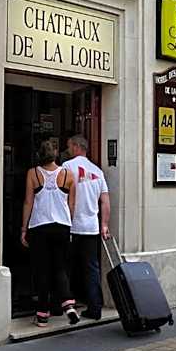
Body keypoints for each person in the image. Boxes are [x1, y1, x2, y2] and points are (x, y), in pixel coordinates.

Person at [21, 140, 80, 327]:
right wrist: (67, 224)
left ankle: (42, 314)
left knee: (42, 270)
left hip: (40, 226)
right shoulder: (68, 175)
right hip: (61, 226)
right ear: (56, 154)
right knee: (60, 268)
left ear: (40, 154)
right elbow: (71, 206)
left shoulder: (33, 174)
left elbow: (28, 202)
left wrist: (24, 229)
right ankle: (68, 304)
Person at [63, 134, 110, 321]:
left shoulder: (67, 167)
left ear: (76, 147)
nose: (67, 151)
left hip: (72, 226)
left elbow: (62, 196)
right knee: (91, 268)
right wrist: (104, 224)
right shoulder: (98, 171)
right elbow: (105, 201)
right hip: (92, 227)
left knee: (66, 267)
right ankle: (95, 307)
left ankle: (66, 305)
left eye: (69, 147)